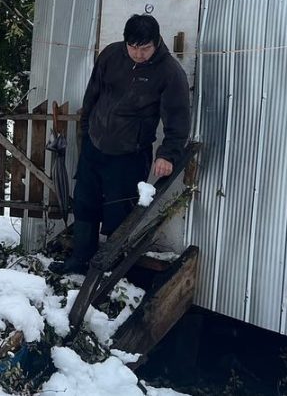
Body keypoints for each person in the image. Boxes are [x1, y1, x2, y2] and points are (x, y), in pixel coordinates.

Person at [51, 14, 191, 275]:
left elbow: (178, 119)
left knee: (118, 212)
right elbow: (92, 95)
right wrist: (86, 130)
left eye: (144, 48)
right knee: (84, 203)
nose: (137, 54)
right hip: (95, 146)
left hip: (130, 153)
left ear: (156, 42)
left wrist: (167, 155)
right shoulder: (112, 55)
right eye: (133, 47)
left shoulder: (169, 73)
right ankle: (79, 261)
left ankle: (109, 270)